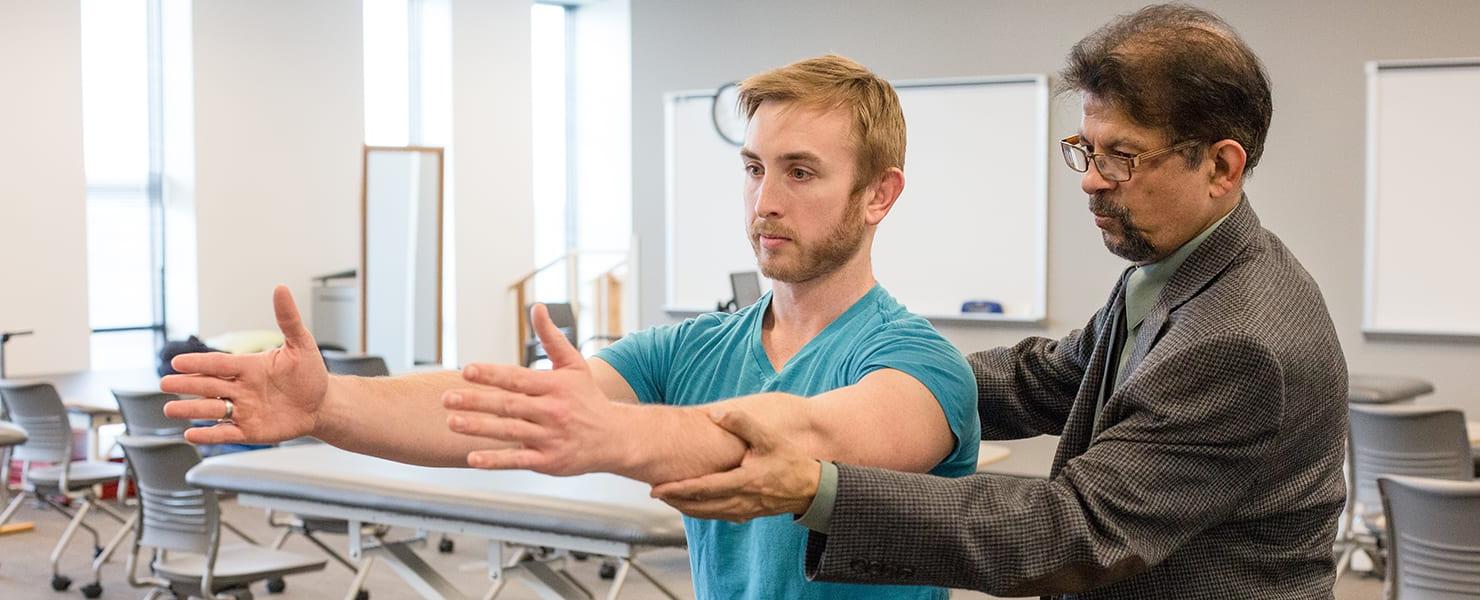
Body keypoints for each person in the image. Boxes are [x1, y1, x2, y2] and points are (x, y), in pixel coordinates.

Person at [161, 54, 980, 599]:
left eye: (801, 172)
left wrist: (607, 432)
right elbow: (492, 406)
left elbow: (802, 440)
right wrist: (326, 407)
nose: (765, 199)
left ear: (879, 196)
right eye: (754, 167)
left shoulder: (921, 367)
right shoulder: (697, 348)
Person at [648, 5, 1349, 599]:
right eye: (1087, 148)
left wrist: (816, 487)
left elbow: (1070, 531)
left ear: (1221, 166)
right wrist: (901, 380)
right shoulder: (1174, 269)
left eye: (1122, 157)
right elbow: (1052, 377)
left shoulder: (1239, 341)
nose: (1091, 182)